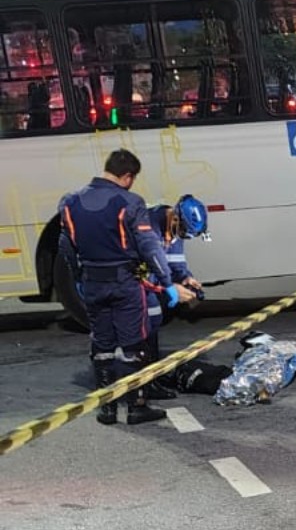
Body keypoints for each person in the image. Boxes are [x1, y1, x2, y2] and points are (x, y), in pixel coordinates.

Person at [58, 149, 196, 425]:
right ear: (128, 176)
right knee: (135, 345)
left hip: (93, 284)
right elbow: (150, 248)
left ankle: (107, 409)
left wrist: (79, 277)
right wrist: (168, 284)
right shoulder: (130, 202)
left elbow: (66, 246)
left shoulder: (70, 202)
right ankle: (136, 406)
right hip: (125, 285)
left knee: (102, 345)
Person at [140, 195, 209, 399]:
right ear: (175, 218)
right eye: (184, 233)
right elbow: (147, 269)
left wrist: (186, 278)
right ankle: (142, 383)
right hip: (134, 283)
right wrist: (170, 288)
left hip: (148, 282)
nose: (183, 238)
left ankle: (149, 377)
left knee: (153, 318)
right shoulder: (149, 228)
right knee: (146, 320)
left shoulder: (175, 228)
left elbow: (175, 261)